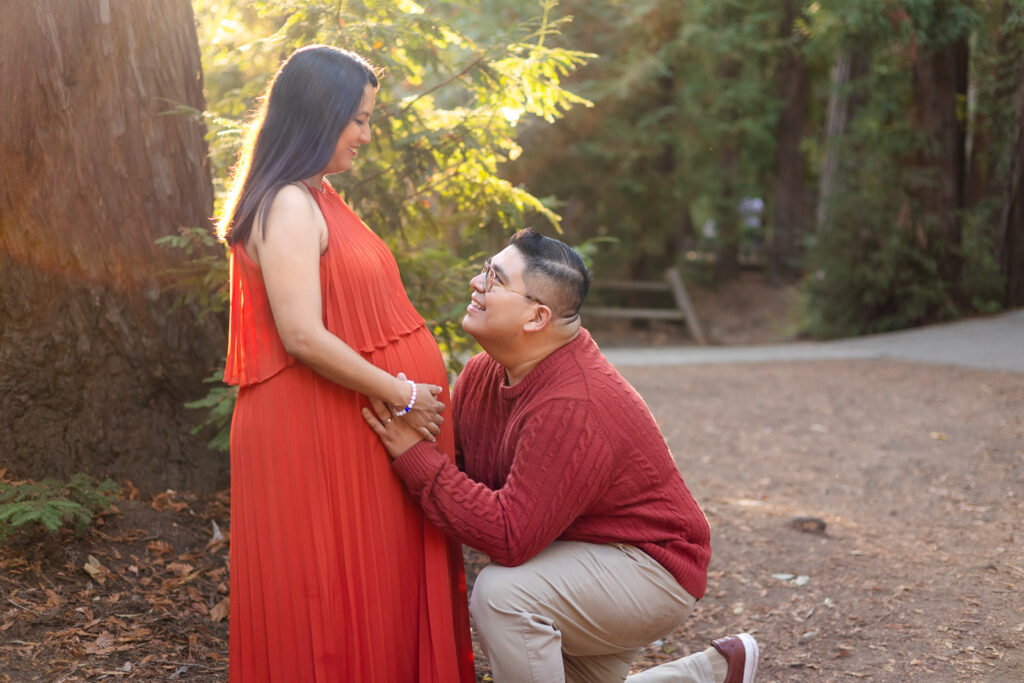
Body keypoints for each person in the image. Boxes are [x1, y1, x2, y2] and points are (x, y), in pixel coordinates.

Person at [362, 228, 759, 683]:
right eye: (483, 270)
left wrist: (414, 456)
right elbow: (461, 475)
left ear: (536, 318)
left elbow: (511, 535)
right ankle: (713, 672)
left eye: (494, 278)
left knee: (502, 595)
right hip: (578, 555)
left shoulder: (574, 401)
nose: (475, 282)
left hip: (647, 569)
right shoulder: (482, 373)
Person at [218, 45, 473, 682]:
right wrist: (404, 392)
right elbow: (301, 333)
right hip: (319, 431)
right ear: (318, 115)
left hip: (352, 426)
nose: (367, 134)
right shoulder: (288, 204)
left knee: (373, 589)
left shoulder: (318, 196)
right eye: (358, 118)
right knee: (333, 596)